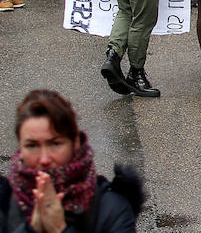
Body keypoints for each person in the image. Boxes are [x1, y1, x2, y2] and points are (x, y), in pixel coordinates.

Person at [0, 89, 145, 232]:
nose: (44, 159)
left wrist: (60, 229)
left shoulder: (111, 208)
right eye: (32, 146)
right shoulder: (5, 202)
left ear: (75, 142)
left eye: (55, 144)